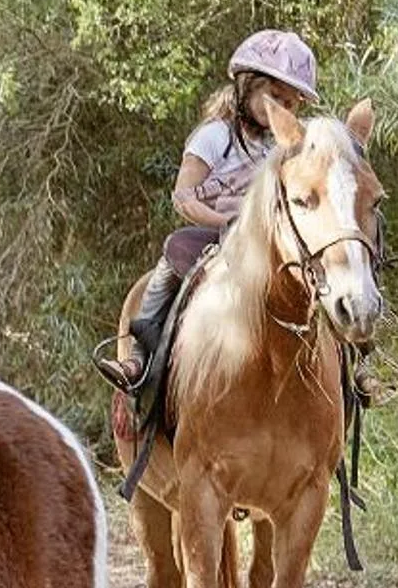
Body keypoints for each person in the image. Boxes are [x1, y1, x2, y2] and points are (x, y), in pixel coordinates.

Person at [96, 28, 320, 391]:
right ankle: (139, 355)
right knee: (172, 257)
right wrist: (227, 222)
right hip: (218, 236)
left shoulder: (285, 148)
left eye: (290, 103)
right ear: (247, 87)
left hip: (269, 243)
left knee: (327, 271)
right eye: (274, 96)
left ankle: (354, 367)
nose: (281, 108)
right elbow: (184, 197)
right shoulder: (214, 137)